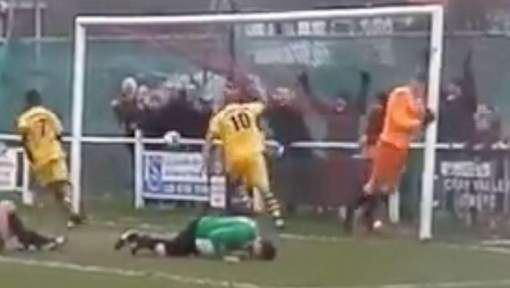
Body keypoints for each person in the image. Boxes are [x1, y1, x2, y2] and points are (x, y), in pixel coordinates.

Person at [202, 79, 284, 229]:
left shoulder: (220, 117)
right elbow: (264, 103)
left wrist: (205, 157)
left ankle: (231, 212)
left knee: (232, 184)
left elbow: (209, 138)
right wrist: (259, 88)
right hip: (254, 153)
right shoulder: (248, 109)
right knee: (265, 189)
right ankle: (278, 219)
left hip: (235, 155)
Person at [362, 79, 434, 230]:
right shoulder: (400, 96)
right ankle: (362, 215)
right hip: (388, 145)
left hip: (400, 148)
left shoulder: (416, 102)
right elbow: (400, 121)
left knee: (390, 187)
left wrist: (423, 121)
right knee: (376, 184)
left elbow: (415, 128)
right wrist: (419, 122)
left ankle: (374, 217)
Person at [16, 90, 83, 229]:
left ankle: (47, 217)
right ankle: (69, 212)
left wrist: (30, 156)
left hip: (40, 157)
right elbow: (59, 133)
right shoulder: (49, 114)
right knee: (62, 185)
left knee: (50, 187)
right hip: (54, 153)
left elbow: (23, 139)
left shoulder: (25, 118)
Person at [114, 215, 276, 262]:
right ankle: (137, 238)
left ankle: (139, 240)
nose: (253, 255)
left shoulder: (252, 228)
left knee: (173, 248)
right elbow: (216, 237)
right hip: (200, 231)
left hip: (204, 225)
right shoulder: (244, 235)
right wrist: (224, 256)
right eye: (257, 254)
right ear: (259, 247)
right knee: (170, 250)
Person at [0, 200, 65, 252]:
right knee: (29, 237)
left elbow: (18, 231)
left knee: (30, 235)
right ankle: (48, 243)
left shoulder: (11, 218)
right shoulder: (9, 218)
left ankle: (50, 242)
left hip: (14, 239)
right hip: (11, 241)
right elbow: (16, 233)